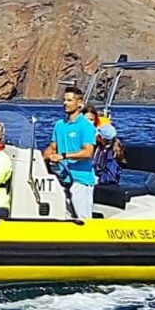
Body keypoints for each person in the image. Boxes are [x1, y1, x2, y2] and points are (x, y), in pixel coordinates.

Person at [44, 85, 98, 218]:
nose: (64, 103)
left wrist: (63, 156)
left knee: (83, 219)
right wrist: (35, 158)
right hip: (63, 178)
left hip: (81, 180)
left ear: (79, 103)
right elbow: (52, 147)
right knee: (64, 218)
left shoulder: (86, 126)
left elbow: (87, 152)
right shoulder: (59, 125)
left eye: (69, 100)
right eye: (64, 100)